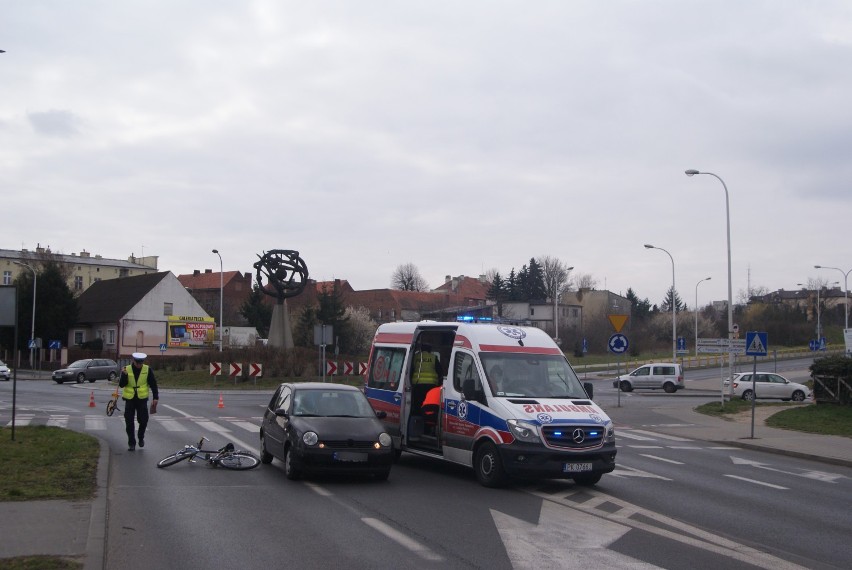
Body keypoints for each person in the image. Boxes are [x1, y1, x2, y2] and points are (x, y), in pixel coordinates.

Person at [119, 352, 159, 451]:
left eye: (140, 363)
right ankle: (131, 443)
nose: (139, 365)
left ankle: (141, 437)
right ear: (133, 361)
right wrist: (124, 375)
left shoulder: (147, 369)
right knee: (129, 422)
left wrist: (155, 397)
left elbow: (153, 384)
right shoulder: (126, 369)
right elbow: (121, 385)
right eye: (137, 363)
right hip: (130, 399)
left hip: (142, 399)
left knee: (144, 420)